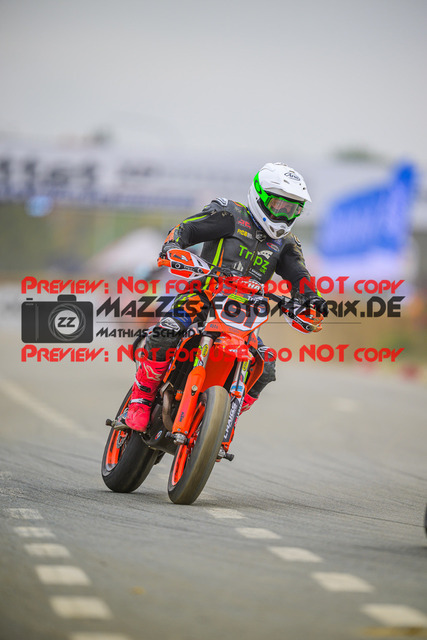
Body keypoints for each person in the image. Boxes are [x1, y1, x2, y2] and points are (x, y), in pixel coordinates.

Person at [125, 162, 328, 432]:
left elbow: (299, 275)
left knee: (266, 366)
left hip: (245, 314)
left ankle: (220, 421)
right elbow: (188, 229)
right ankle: (141, 398)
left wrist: (311, 299)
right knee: (167, 332)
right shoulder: (229, 213)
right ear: (259, 196)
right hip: (202, 298)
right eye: (278, 205)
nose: (283, 213)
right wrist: (173, 246)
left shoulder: (287, 242)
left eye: (292, 209)